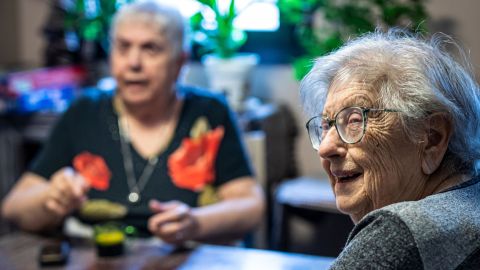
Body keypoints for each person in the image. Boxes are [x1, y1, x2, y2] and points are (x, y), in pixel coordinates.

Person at [1, 1, 264, 244]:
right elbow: (14, 207)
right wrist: (51, 199)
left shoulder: (210, 112)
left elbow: (251, 205)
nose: (133, 63)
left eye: (151, 48)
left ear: (179, 62)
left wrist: (195, 222)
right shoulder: (84, 111)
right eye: (123, 47)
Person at [300, 29, 480, 269]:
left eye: (355, 120)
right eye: (326, 125)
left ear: (432, 138)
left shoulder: (400, 234)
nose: (325, 147)